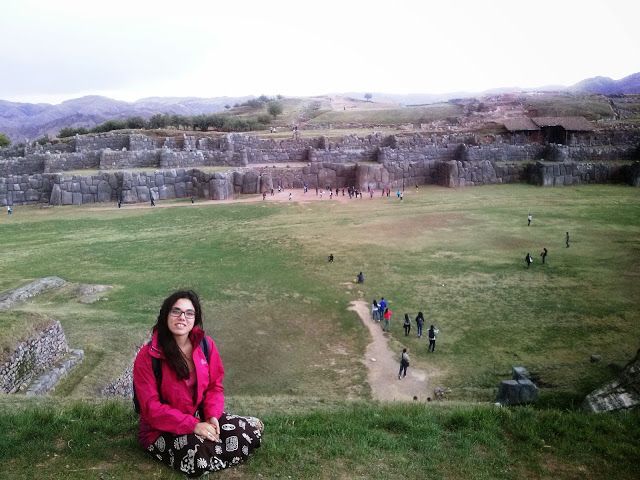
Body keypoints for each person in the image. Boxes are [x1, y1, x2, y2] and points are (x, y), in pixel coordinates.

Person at [133, 290, 263, 477]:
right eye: (175, 311)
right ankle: (207, 452)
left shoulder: (205, 345)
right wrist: (193, 426)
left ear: (195, 318)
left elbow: (214, 386)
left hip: (199, 415)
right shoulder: (148, 356)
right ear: (165, 315)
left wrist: (212, 417)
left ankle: (211, 446)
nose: (182, 317)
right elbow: (151, 408)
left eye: (189, 313)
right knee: (197, 455)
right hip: (160, 429)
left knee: (250, 431)